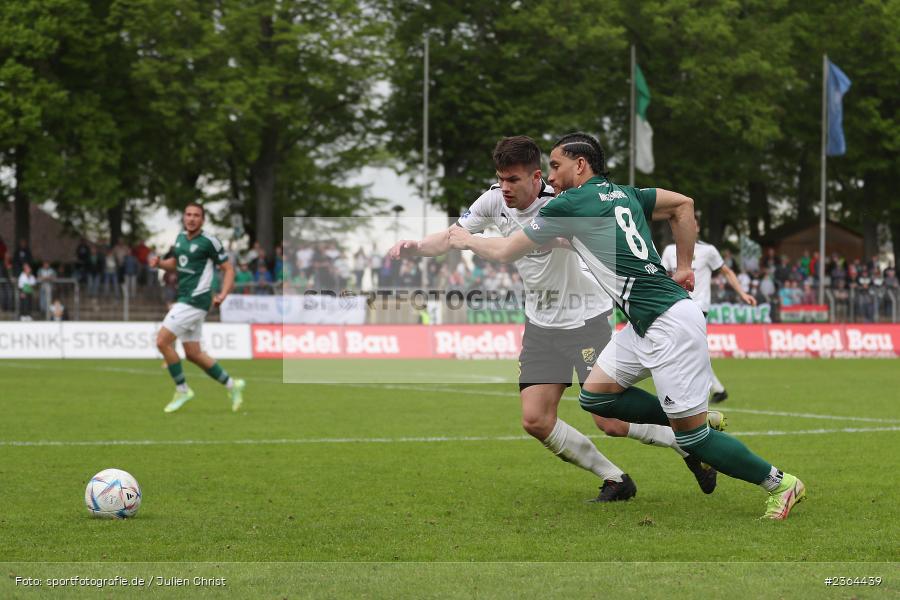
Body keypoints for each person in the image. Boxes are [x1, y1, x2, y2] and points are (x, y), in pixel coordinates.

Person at [449, 132, 805, 519]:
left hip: (668, 324)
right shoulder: (626, 193)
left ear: (580, 165)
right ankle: (690, 422)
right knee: (596, 397)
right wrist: (684, 266)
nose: (550, 175)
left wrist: (466, 239)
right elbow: (683, 205)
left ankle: (781, 484)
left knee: (694, 437)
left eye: (555, 166)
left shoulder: (570, 204)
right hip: (643, 323)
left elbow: (503, 250)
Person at [393, 136, 721, 502]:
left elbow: (595, 237)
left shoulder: (564, 205)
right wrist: (417, 248)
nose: (505, 188)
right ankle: (615, 478)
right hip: (541, 323)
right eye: (501, 179)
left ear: (537, 178)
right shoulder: (491, 200)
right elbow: (455, 234)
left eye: (513, 180)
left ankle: (689, 444)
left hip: (586, 318)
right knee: (535, 420)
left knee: (609, 420)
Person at [149, 202, 246, 413]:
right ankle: (233, 385)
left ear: (202, 220)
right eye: (188, 214)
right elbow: (177, 262)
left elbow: (228, 269)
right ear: (184, 217)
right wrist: (159, 264)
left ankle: (183, 390)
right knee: (193, 354)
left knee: (162, 341)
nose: (191, 218)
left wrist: (223, 294)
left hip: (196, 300)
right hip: (186, 298)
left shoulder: (210, 242)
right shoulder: (181, 238)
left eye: (196, 215)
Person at [660, 221, 757, 404]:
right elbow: (661, 276)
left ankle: (690, 393)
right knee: (689, 350)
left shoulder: (708, 251)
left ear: (696, 229)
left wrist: (743, 293)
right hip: (675, 306)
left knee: (684, 349)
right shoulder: (669, 251)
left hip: (698, 307)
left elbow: (727, 272)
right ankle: (717, 390)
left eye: (692, 225)